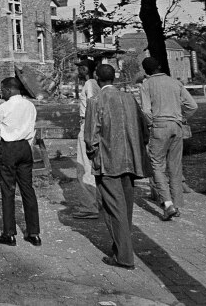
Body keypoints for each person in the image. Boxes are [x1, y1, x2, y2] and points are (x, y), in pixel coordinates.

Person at [85, 64, 148, 269]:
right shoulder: (130, 99)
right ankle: (120, 247)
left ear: (96, 77)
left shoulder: (95, 101)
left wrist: (93, 156)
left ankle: (123, 256)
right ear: (114, 77)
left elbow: (90, 137)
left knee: (114, 208)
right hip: (130, 160)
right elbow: (144, 128)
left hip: (108, 162)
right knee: (125, 208)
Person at [139, 56, 197, 220]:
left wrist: (152, 124)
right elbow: (193, 105)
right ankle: (177, 204)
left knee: (156, 165)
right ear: (159, 66)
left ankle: (168, 204)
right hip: (177, 126)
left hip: (159, 126)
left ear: (146, 71)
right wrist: (182, 117)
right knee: (175, 166)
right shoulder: (175, 82)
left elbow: (145, 110)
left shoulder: (147, 84)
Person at [0, 77, 41, 247]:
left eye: (2, 90)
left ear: (9, 90)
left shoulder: (5, 106)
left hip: (10, 148)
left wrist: (2, 127)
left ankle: (9, 233)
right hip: (25, 147)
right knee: (27, 189)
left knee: (8, 190)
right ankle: (34, 233)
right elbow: (31, 126)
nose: (1, 93)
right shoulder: (30, 105)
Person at [72, 58, 101, 219]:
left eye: (81, 68)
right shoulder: (94, 84)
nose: (79, 71)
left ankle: (89, 206)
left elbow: (92, 105)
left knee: (84, 167)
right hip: (93, 126)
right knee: (94, 166)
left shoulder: (89, 83)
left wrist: (88, 128)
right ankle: (97, 201)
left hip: (87, 126)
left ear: (87, 69)